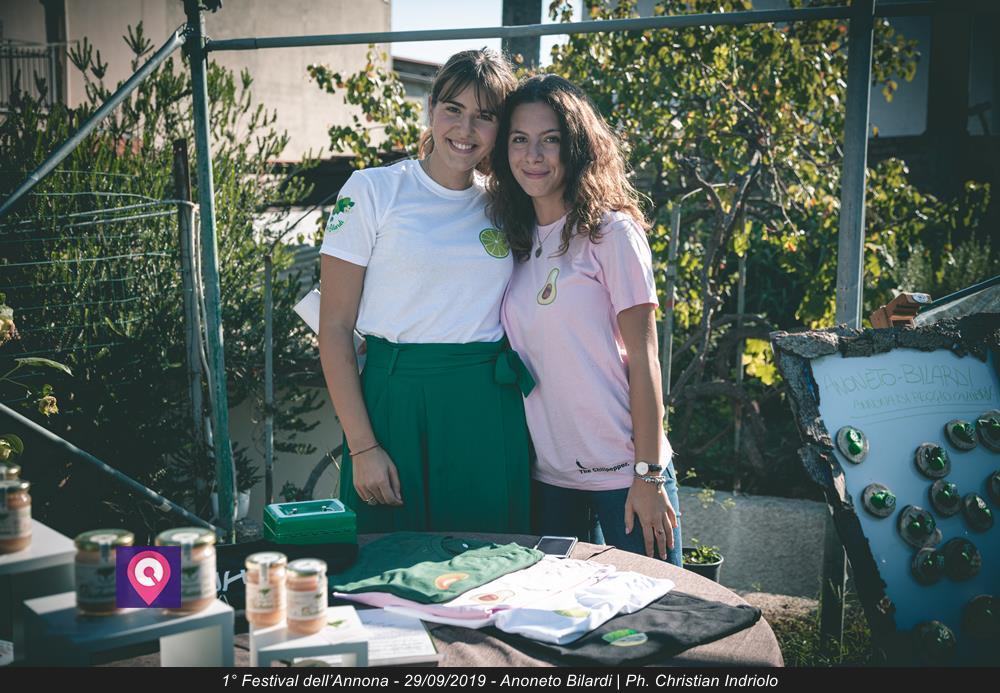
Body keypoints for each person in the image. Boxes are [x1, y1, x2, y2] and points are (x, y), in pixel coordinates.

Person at [318, 50, 534, 533]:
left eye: (484, 116)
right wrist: (363, 447)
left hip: (487, 409)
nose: (465, 128)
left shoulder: (507, 203)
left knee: (490, 563)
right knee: (384, 565)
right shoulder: (372, 190)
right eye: (453, 109)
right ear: (431, 107)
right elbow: (333, 328)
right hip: (395, 403)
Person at [490, 74, 682, 564]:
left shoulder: (611, 233)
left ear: (576, 146)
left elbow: (645, 359)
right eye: (519, 139)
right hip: (551, 480)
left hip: (626, 475)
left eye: (550, 139)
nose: (533, 155)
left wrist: (648, 474)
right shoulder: (512, 240)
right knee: (554, 611)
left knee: (656, 606)